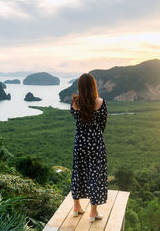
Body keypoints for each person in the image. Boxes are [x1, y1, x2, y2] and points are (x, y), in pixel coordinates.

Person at [70, 73, 108, 223]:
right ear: (93, 86)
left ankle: (76, 207)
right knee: (95, 175)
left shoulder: (74, 103)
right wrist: (95, 135)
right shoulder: (100, 103)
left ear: (80, 86)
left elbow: (77, 120)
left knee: (78, 172)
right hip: (96, 143)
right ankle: (93, 212)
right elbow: (103, 125)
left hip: (79, 143)